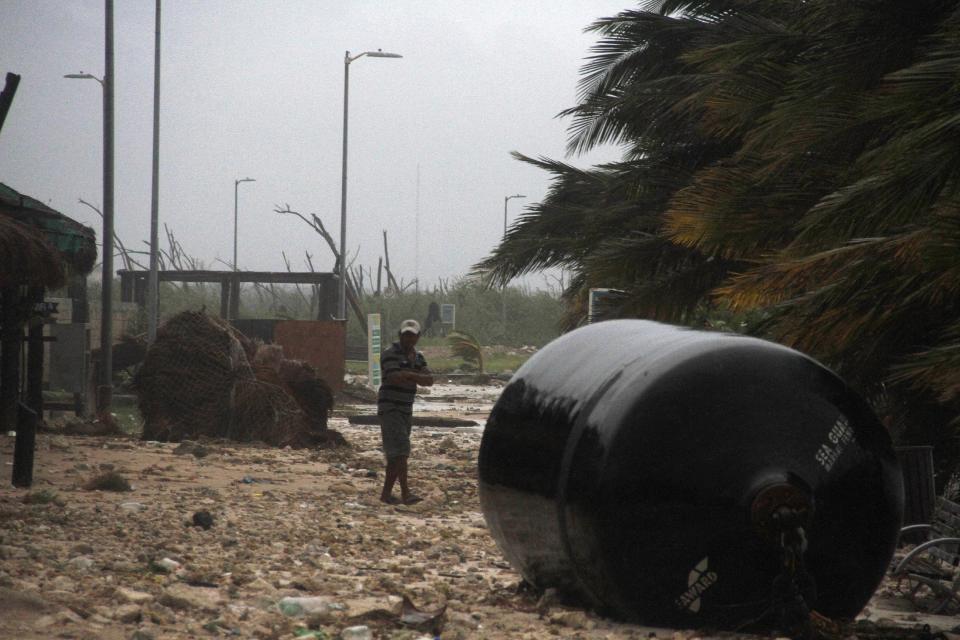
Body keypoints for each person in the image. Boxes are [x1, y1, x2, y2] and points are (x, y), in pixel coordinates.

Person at [378, 318, 433, 504]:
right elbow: (394, 377)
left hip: (405, 408)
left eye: (412, 335)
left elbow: (429, 379)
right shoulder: (389, 354)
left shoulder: (418, 357)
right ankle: (405, 493)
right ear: (400, 335)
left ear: (418, 337)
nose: (409, 339)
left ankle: (386, 495)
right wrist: (415, 376)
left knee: (396, 454)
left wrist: (408, 375)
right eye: (406, 335)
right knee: (401, 450)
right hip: (390, 407)